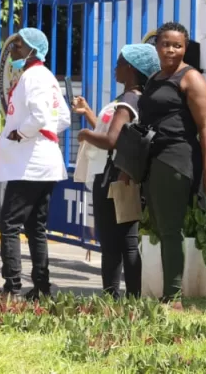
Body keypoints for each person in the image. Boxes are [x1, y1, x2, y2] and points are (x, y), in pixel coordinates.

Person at [139, 22, 206, 306]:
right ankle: (169, 293)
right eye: (166, 44)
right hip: (153, 159)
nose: (171, 50)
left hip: (176, 159)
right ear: (156, 46)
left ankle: (173, 296)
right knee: (162, 227)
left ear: (185, 48)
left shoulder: (192, 79)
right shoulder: (155, 78)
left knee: (171, 229)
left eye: (177, 45)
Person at [72, 43, 161, 299]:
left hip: (111, 177)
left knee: (114, 245)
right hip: (124, 175)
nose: (115, 68)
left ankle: (112, 298)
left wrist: (85, 134)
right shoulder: (136, 99)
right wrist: (90, 115)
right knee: (127, 241)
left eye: (119, 63)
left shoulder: (127, 102)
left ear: (131, 68)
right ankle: (133, 299)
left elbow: (110, 140)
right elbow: (118, 134)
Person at [0, 28, 70, 299]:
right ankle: (41, 287)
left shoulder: (34, 76)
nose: (12, 51)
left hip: (30, 165)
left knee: (9, 225)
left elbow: (39, 116)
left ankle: (12, 286)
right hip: (42, 163)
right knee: (36, 227)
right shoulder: (45, 76)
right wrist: (43, 134)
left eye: (18, 47)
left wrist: (22, 133)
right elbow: (63, 118)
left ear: (32, 51)